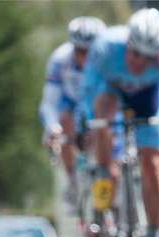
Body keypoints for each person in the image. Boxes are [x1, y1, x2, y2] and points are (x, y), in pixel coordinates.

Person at [83, 8, 159, 237]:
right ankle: (107, 173)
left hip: (148, 98)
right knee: (102, 113)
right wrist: (88, 122)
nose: (139, 61)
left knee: (153, 164)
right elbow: (88, 87)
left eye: (147, 57)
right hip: (112, 93)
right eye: (134, 53)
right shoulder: (105, 47)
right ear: (127, 43)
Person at [40, 17, 106, 204]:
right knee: (63, 121)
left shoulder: (106, 61)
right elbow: (49, 102)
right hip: (69, 103)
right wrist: (52, 128)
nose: (84, 56)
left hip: (98, 104)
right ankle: (72, 179)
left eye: (89, 51)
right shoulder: (60, 60)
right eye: (80, 50)